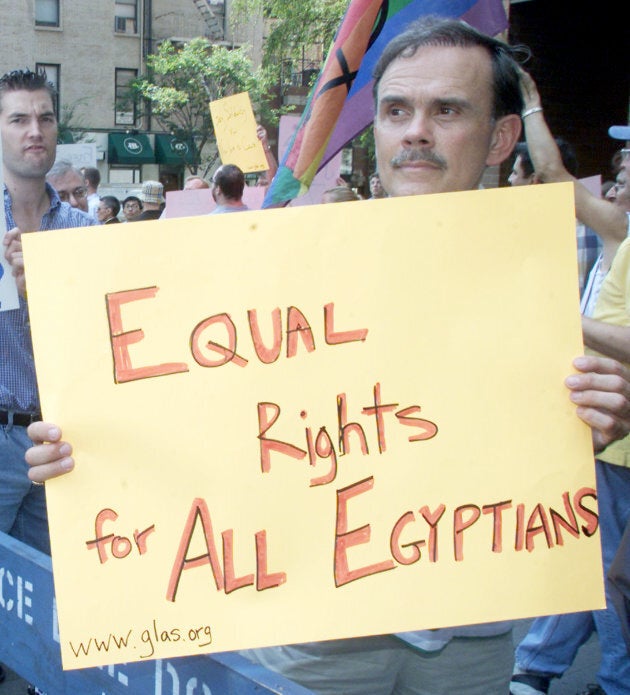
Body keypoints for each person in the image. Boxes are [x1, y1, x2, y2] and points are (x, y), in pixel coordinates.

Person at [19, 18, 630, 695]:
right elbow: (198, 416)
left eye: (447, 110)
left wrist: (588, 423)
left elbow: (547, 434)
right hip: (320, 642)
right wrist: (87, 453)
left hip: (473, 640)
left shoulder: (534, 291)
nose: (416, 130)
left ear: (500, 138)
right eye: (396, 110)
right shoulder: (281, 267)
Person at [508, 71, 630, 695]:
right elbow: (555, 177)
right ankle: (540, 666)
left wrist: (566, 323)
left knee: (611, 574)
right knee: (593, 560)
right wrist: (530, 103)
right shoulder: (622, 234)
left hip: (618, 444)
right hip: (606, 441)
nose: (620, 167)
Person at [0, 68, 96, 562]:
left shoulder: (83, 228)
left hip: (63, 443)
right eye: (18, 119)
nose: (34, 130)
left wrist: (40, 295)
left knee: (50, 594)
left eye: (45, 117)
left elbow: (97, 337)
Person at [508, 138, 603, 297]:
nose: (510, 179)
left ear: (534, 180)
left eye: (515, 172)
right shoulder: (595, 226)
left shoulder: (539, 232)